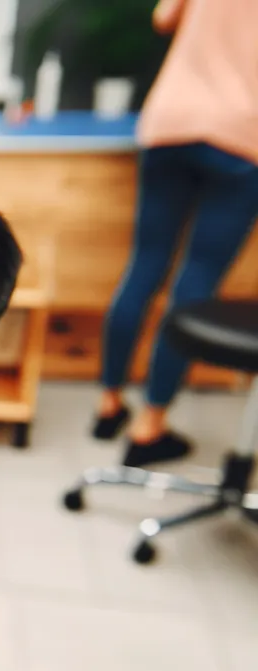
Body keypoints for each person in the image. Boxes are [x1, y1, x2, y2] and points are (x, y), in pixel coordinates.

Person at [93, 0, 258, 466]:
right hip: (241, 135)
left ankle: (108, 403)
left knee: (145, 265)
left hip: (171, 122)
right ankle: (150, 425)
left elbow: (163, 17)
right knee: (197, 280)